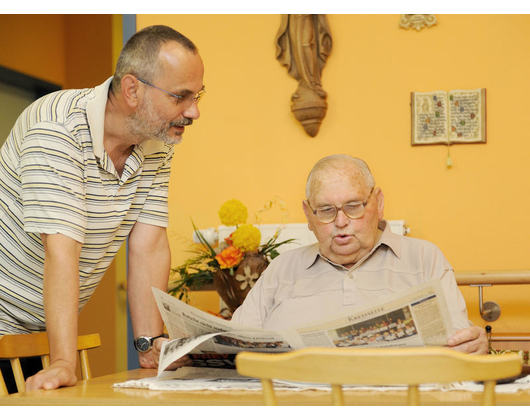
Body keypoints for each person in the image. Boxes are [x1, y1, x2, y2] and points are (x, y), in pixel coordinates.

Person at [0, 25, 203, 393]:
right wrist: (64, 360)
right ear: (132, 90)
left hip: (35, 328)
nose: (194, 111)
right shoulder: (57, 129)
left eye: (199, 95)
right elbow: (62, 251)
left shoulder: (156, 144)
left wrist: (148, 343)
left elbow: (149, 245)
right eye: (181, 97)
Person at [231, 154, 488, 355]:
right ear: (309, 215)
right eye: (326, 210)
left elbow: (458, 344)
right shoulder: (281, 269)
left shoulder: (424, 258)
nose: (341, 221)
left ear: (379, 203)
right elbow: (233, 342)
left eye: (353, 206)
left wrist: (473, 348)